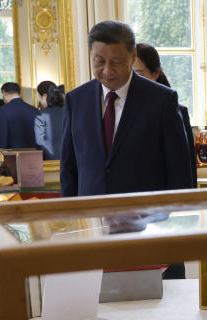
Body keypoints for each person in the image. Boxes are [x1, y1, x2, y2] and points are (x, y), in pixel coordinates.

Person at [60, 20, 193, 197]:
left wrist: (178, 218)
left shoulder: (162, 100)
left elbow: (180, 173)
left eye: (116, 62)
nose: (107, 71)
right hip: (91, 217)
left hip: (147, 219)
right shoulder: (76, 100)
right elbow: (68, 170)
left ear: (133, 56)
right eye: (99, 61)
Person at [133, 42, 196, 188]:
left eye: (139, 75)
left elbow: (186, 171)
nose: (133, 82)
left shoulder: (177, 111)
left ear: (156, 74)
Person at [0, 82, 39, 149]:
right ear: (19, 93)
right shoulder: (34, 110)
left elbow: (2, 139)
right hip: (33, 154)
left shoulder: (2, 111)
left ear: (4, 93)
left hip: (12, 155)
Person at [34, 81, 65, 160]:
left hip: (49, 160)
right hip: (70, 159)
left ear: (45, 96)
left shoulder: (40, 114)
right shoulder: (69, 112)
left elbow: (39, 141)